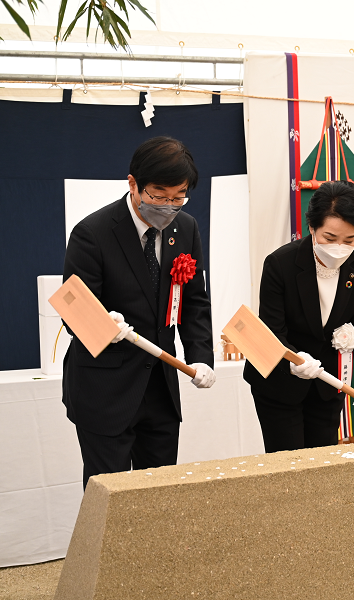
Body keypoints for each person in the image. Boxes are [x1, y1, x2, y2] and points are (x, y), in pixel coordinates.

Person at [63, 136, 215, 488]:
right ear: (133, 183)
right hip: (105, 390)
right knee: (109, 499)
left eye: (178, 197)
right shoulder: (93, 233)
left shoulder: (186, 227)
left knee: (158, 495)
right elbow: (74, 311)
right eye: (158, 196)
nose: (168, 205)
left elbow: (194, 301)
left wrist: (201, 356)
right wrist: (103, 325)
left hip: (160, 387)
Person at [244, 180, 354, 452]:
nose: (340, 247)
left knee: (323, 465)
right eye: (330, 238)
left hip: (327, 385)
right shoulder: (280, 264)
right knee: (290, 468)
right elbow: (272, 332)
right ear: (312, 228)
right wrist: (294, 360)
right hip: (279, 384)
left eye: (350, 239)